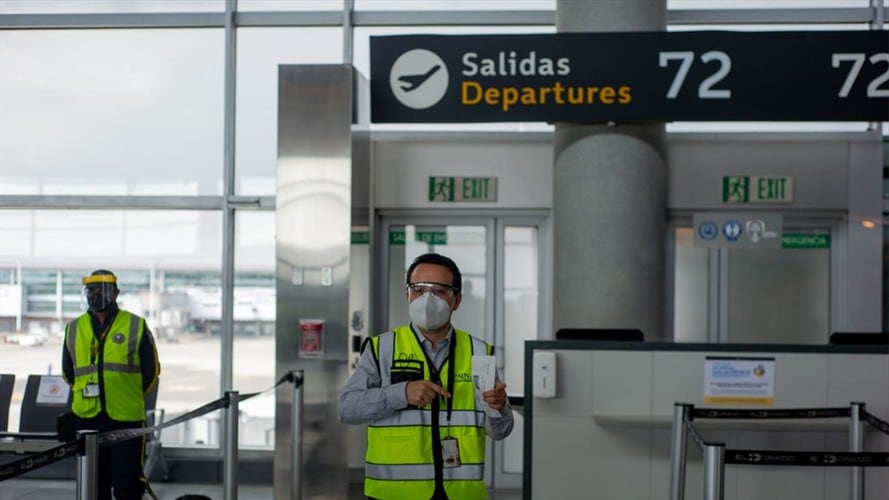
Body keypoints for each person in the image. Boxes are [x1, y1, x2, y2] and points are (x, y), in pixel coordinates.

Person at [338, 253, 514, 500]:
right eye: (419, 289)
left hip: (461, 494)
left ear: (457, 300)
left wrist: (498, 408)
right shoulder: (382, 349)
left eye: (440, 291)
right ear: (407, 295)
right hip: (393, 494)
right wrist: (401, 393)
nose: (427, 299)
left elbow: (500, 432)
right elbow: (346, 408)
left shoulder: (478, 352)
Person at [62, 269, 161, 500]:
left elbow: (151, 371)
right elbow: (68, 372)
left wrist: (128, 395)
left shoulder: (135, 325)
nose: (93, 295)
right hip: (88, 419)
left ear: (115, 293)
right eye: (90, 290)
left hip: (125, 418)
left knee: (127, 484)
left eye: (100, 290)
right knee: (93, 485)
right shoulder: (74, 328)